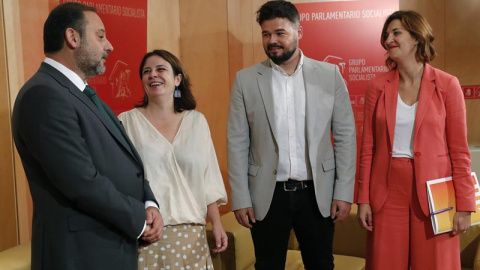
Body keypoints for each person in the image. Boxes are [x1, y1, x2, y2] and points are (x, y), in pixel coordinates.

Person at [11, 3, 162, 270]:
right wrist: (138, 218)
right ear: (72, 37)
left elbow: (126, 160)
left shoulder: (84, 95)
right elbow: (80, 181)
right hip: (80, 256)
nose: (110, 46)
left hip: (109, 246)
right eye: (101, 36)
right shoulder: (43, 95)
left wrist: (149, 202)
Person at [227, 1, 357, 269]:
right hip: (266, 195)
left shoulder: (330, 75)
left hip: (317, 194)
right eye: (266, 34)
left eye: (279, 33)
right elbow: (237, 142)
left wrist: (343, 191)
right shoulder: (246, 80)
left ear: (299, 31)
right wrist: (240, 198)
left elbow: (345, 136)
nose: (272, 40)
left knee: (321, 264)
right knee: (267, 265)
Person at [356, 10, 475, 270]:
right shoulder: (377, 86)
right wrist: (363, 199)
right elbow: (368, 148)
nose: (389, 39)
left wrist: (465, 205)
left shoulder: (447, 84)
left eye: (396, 32)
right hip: (387, 188)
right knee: (384, 263)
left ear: (417, 37)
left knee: (436, 264)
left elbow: (459, 151)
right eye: (386, 35)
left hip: (436, 190)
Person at [118, 49, 228, 269]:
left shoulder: (197, 121)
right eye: (146, 71)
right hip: (148, 234)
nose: (153, 75)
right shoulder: (126, 122)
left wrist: (217, 223)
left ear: (178, 79)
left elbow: (208, 179)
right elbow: (121, 181)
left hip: (192, 236)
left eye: (161, 69)